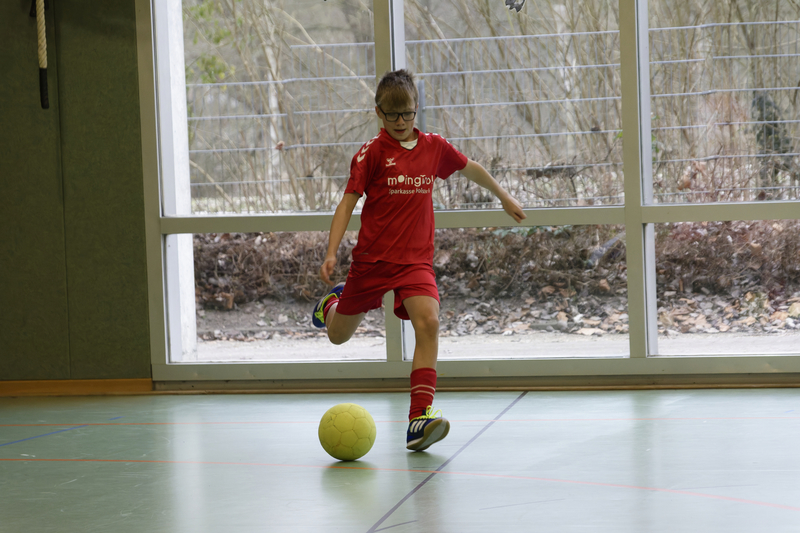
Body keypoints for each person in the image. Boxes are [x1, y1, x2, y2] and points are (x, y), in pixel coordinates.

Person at [312, 69, 526, 451]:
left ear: (416, 109)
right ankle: (331, 305)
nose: (400, 122)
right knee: (338, 336)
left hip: (415, 262)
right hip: (372, 262)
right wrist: (331, 252)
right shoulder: (371, 153)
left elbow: (470, 167)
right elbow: (346, 204)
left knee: (428, 322)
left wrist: (503, 196)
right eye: (391, 114)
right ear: (378, 112)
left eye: (407, 113)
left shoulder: (433, 147)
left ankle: (418, 419)